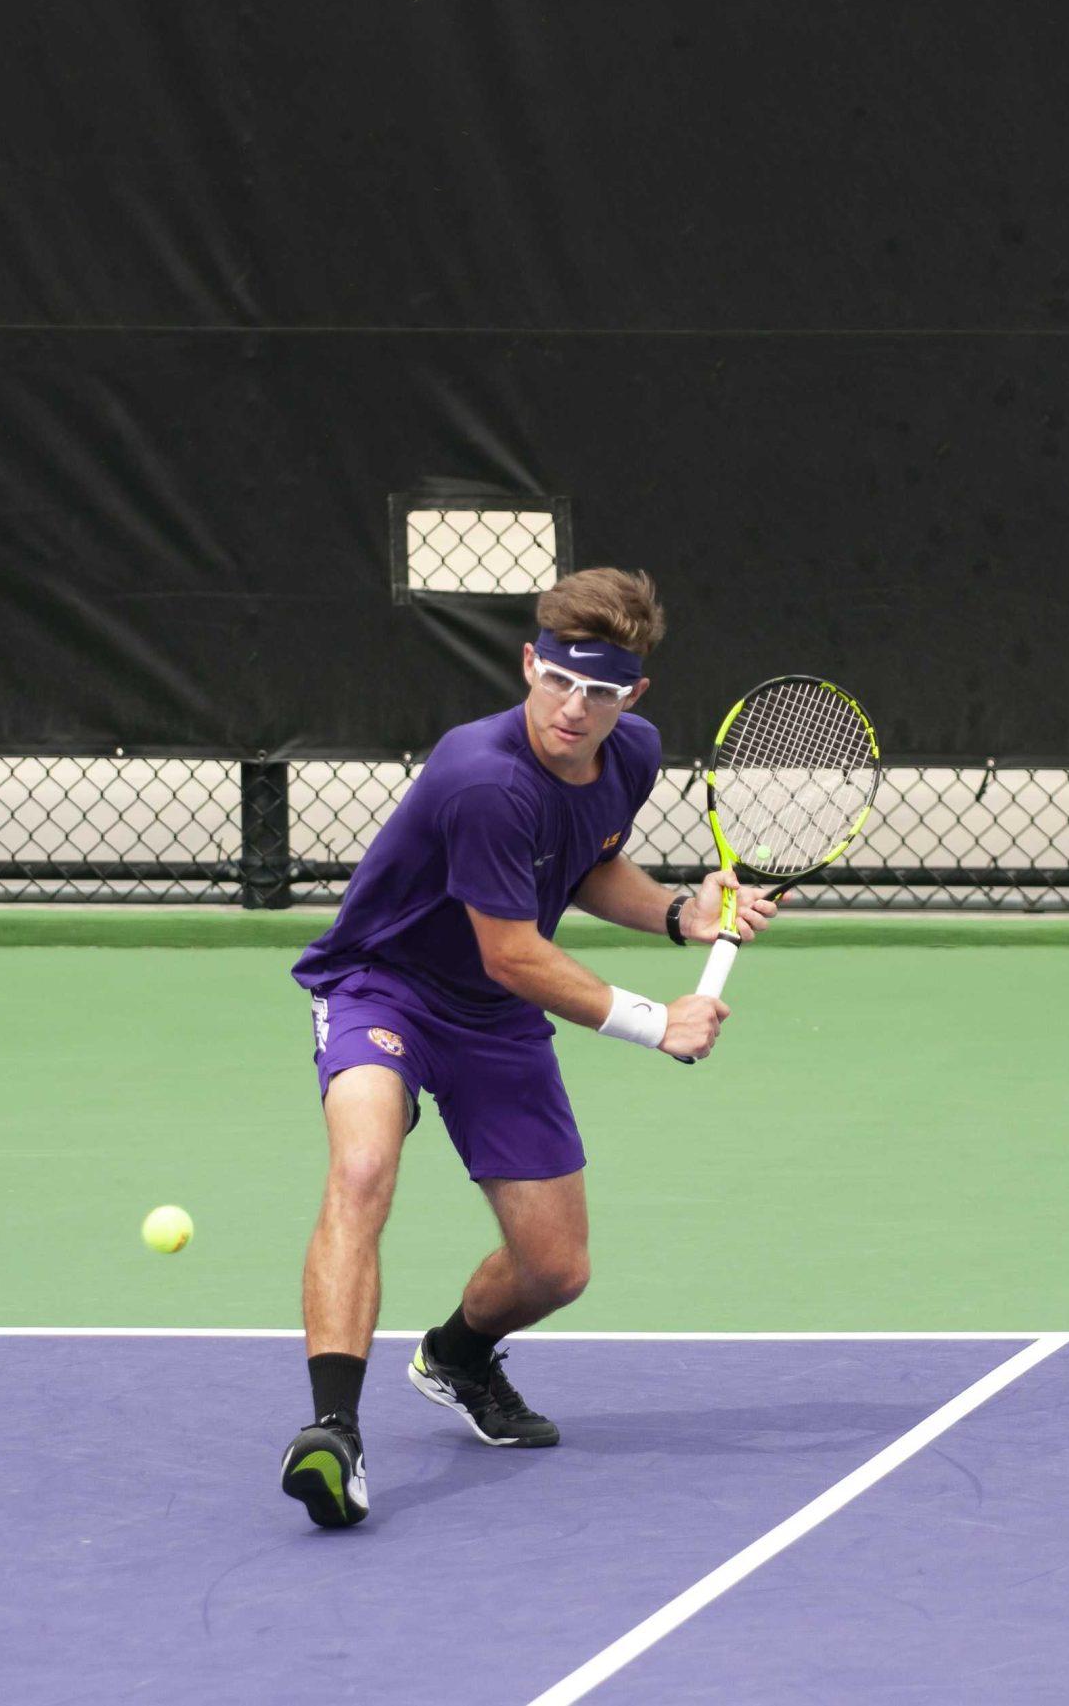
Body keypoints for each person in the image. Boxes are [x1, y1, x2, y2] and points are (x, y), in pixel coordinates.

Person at [278, 567, 781, 1529]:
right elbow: (512, 952)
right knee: (364, 1165)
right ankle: (332, 1434)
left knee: (556, 1269)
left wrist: (680, 912)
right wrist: (652, 1019)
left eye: (598, 691)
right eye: (556, 680)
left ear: (632, 695)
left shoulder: (629, 753)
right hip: (383, 985)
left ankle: (458, 1355)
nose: (572, 707)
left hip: (494, 1022)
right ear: (527, 663)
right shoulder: (483, 776)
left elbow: (585, 861)